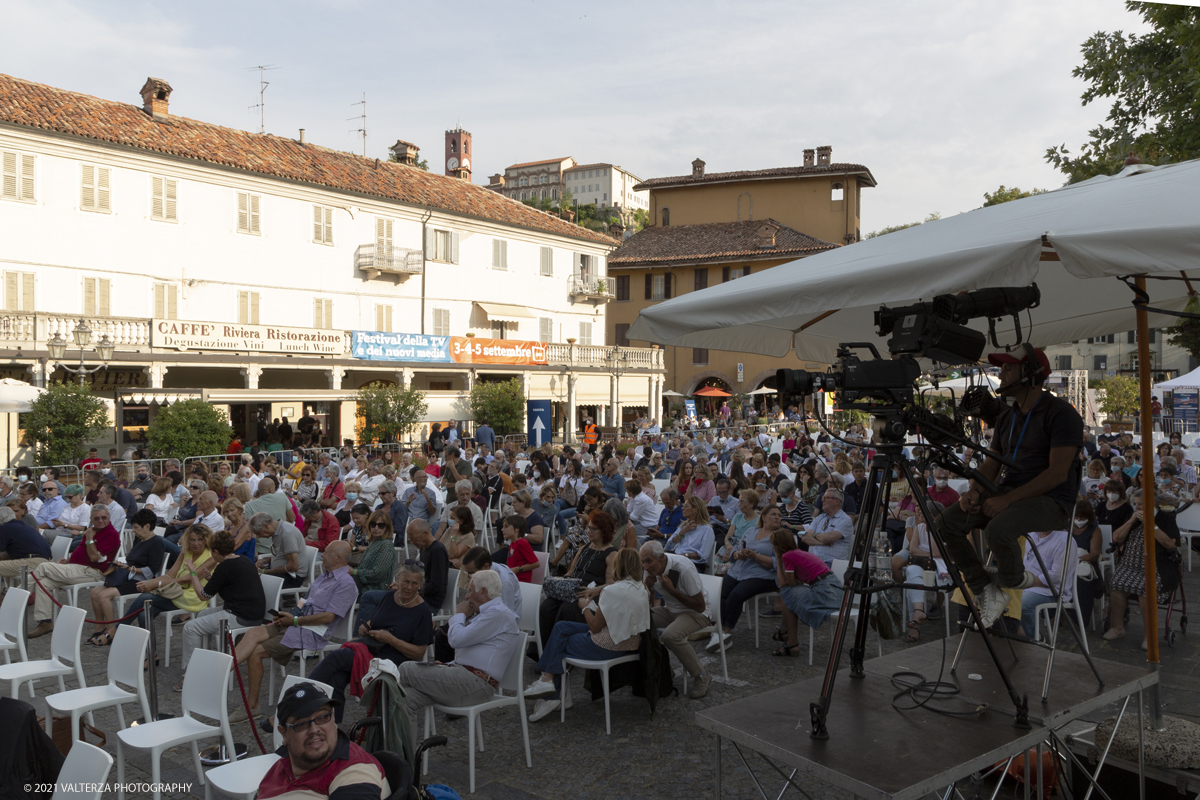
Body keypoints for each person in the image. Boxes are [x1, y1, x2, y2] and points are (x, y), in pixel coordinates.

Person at [937, 347, 1083, 628]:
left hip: (1051, 501)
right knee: (946, 522)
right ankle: (983, 589)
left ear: (1029, 374)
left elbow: (1057, 474)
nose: (1000, 375)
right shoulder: (1008, 417)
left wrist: (1006, 500)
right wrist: (975, 492)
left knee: (999, 528)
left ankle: (1012, 581)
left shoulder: (1061, 414)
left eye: (1007, 370)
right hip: (1011, 497)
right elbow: (992, 465)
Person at [230, 541, 357, 724]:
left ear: (338, 558)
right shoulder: (325, 576)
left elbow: (329, 617)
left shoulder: (345, 583)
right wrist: (292, 614)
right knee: (252, 633)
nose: (322, 555)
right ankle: (223, 669)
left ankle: (252, 706)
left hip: (311, 631)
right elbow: (305, 600)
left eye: (326, 553)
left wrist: (296, 620)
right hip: (296, 623)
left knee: (256, 652)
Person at [397, 570, 523, 752]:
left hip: (476, 684)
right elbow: (468, 650)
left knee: (405, 669)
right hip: (463, 678)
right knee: (405, 697)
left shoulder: (498, 614)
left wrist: (459, 614)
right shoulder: (487, 613)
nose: (467, 596)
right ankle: (404, 760)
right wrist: (446, 666)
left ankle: (376, 723)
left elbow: (456, 640)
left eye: (470, 590)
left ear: (483, 592)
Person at [527, 548, 651, 721]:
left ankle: (551, 693)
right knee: (562, 627)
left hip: (609, 645)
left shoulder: (612, 591)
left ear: (618, 566)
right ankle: (548, 682)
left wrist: (585, 606)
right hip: (630, 642)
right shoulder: (642, 589)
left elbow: (594, 627)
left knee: (560, 642)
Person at [309, 562, 434, 720]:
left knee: (337, 657)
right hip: (371, 647)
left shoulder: (422, 611)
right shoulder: (389, 597)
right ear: (398, 579)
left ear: (420, 585)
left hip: (393, 660)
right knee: (336, 678)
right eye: (405, 581)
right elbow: (375, 621)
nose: (409, 587)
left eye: (414, 583)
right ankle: (333, 727)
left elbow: (419, 653)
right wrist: (366, 627)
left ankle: (303, 697)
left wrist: (391, 639)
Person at [256, 681, 388, 799]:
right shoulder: (281, 766)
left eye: (323, 717)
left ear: (334, 718)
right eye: (301, 723)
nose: (314, 729)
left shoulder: (354, 772)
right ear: (284, 734)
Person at [176, 528, 266, 672]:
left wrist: (193, 571)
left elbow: (203, 595)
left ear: (216, 552)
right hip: (252, 612)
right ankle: (207, 657)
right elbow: (233, 586)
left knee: (190, 627)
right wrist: (212, 580)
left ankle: (191, 672)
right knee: (201, 615)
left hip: (241, 616)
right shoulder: (243, 560)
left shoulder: (224, 566)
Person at [28, 504, 121, 639]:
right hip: (77, 568)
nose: (100, 520)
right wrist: (68, 561)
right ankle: (46, 621)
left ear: (109, 517)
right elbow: (82, 551)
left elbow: (95, 557)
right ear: (91, 519)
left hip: (92, 572)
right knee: (44, 583)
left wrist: (89, 538)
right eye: (96, 518)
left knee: (43, 566)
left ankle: (13, 599)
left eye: (103, 517)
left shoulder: (111, 534)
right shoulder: (93, 530)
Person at [1104, 489, 1181, 649]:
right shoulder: (1133, 518)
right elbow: (1116, 538)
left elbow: (1170, 544)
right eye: (1136, 504)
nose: (1138, 507)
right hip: (1130, 566)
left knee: (1145, 589)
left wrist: (1151, 525)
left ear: (1153, 504)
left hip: (1156, 568)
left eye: (1141, 504)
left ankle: (1150, 635)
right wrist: (1131, 521)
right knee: (1116, 583)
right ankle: (1118, 628)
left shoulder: (1166, 518)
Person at [640, 540, 713, 698]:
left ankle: (702, 675)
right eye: (643, 562)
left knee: (670, 636)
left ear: (661, 558)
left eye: (648, 561)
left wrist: (672, 591)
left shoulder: (682, 567)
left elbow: (700, 606)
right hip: (671, 611)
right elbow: (648, 602)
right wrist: (648, 588)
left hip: (697, 613)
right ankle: (665, 671)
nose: (645, 566)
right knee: (638, 621)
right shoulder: (650, 569)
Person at [85, 508, 167, 646]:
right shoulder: (140, 539)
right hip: (128, 576)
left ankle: (111, 631)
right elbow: (132, 560)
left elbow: (152, 571)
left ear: (147, 527)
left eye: (135, 527)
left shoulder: (156, 543)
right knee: (94, 592)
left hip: (140, 581)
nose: (133, 531)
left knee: (104, 595)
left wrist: (130, 568)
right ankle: (100, 626)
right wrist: (122, 565)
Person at [538, 510, 619, 648]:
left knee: (566, 609)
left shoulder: (611, 554)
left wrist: (596, 589)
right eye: (588, 527)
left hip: (591, 594)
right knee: (546, 607)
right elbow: (571, 571)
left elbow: (612, 584)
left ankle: (559, 651)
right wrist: (561, 582)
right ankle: (543, 650)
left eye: (593, 529)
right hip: (572, 590)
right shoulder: (585, 548)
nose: (589, 531)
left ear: (604, 531)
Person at [710, 504, 784, 652]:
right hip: (738, 571)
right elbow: (736, 550)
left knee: (736, 595)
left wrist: (756, 556)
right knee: (720, 592)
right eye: (773, 514)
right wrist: (737, 554)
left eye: (779, 515)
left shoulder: (779, 536)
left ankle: (726, 632)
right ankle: (717, 628)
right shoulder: (751, 531)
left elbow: (778, 563)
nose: (777, 517)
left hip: (762, 576)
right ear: (763, 517)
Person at [770, 529, 844, 658]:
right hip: (834, 590)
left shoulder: (787, 556)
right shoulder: (797, 553)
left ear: (777, 546)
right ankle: (789, 638)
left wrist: (778, 559)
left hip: (825, 592)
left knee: (787, 594)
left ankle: (788, 636)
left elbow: (785, 585)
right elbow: (793, 582)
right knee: (789, 598)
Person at [1017, 528, 1076, 639]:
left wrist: (1028, 582)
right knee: (1002, 596)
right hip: (1026, 583)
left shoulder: (1064, 540)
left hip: (1052, 590)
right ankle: (1017, 632)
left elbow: (1057, 576)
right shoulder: (1030, 535)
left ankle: (1033, 638)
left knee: (1023, 603)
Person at [250, 512, 309, 590]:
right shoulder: (278, 529)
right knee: (250, 578)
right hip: (286, 574)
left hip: (293, 577)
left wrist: (266, 571)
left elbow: (293, 567)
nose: (259, 536)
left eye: (258, 533)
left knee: (253, 583)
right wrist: (267, 561)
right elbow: (282, 554)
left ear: (265, 526)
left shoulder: (287, 534)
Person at [1070, 501, 1104, 624]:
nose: (1079, 520)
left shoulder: (1094, 531)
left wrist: (1077, 559)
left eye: (1082, 518)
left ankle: (1080, 618)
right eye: (1076, 517)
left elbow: (1094, 554)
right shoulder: (1066, 528)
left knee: (1081, 581)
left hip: (1084, 563)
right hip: (1064, 562)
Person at [800, 489, 854, 564]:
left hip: (830, 563)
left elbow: (829, 538)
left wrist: (814, 535)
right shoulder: (820, 518)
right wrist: (821, 543)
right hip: (812, 561)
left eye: (826, 498)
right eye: (823, 497)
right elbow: (805, 537)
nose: (822, 500)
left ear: (836, 501)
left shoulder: (845, 520)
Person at [0, 505, 51, 584]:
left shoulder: (4, 528)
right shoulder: (22, 525)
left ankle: (14, 593)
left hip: (33, 562)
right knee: (7, 561)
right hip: (45, 561)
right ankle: (12, 593)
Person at [351, 510, 396, 593]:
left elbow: (377, 574)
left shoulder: (386, 545)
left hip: (374, 589)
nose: (376, 528)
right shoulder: (373, 542)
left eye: (381, 525)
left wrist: (354, 572)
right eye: (373, 524)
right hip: (364, 584)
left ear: (386, 527)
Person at [665, 495, 715, 569]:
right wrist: (683, 531)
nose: (682, 508)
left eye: (686, 506)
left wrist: (685, 555)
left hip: (692, 564)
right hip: (677, 560)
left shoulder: (706, 529)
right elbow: (668, 546)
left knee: (671, 573)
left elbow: (703, 555)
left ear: (695, 509)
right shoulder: (683, 526)